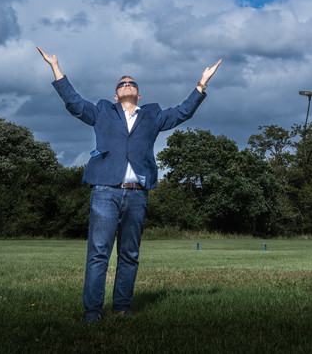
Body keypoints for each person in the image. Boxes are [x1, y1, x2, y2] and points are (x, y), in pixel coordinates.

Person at [37, 46, 221, 323]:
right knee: (99, 253)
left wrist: (201, 84)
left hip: (137, 194)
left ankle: (122, 307)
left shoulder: (153, 115)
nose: (127, 85)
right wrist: (55, 67)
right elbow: (74, 102)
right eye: (122, 84)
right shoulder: (102, 111)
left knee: (130, 254)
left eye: (131, 83)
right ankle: (92, 312)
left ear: (139, 93)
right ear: (115, 95)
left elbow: (182, 112)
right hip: (104, 192)